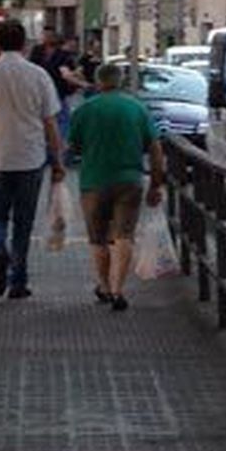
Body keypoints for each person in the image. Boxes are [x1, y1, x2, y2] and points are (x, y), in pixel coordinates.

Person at [0, 21, 66, 300]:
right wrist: (57, 160)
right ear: (24, 44)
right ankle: (18, 281)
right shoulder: (38, 75)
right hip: (30, 158)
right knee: (23, 222)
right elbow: (50, 122)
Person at [67, 62, 165, 311]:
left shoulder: (84, 110)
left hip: (93, 181)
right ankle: (118, 289)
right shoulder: (137, 109)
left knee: (98, 239)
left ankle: (103, 285)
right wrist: (156, 183)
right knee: (124, 235)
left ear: (98, 82)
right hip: (129, 180)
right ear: (120, 81)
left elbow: (73, 147)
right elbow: (155, 149)